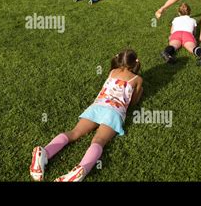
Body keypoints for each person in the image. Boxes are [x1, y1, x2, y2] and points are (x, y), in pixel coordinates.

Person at [29, 49, 143, 182]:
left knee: (74, 133)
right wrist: (140, 90)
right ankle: (82, 168)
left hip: (97, 107)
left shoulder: (112, 72)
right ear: (135, 62)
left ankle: (45, 152)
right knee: (98, 141)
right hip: (114, 112)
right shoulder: (137, 79)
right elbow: (133, 102)